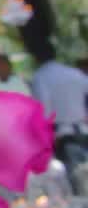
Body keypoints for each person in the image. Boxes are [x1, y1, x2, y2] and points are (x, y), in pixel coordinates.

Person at [31, 53, 88, 193]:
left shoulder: (41, 77)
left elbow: (45, 110)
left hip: (63, 135)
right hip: (83, 130)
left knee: (76, 181)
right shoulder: (75, 74)